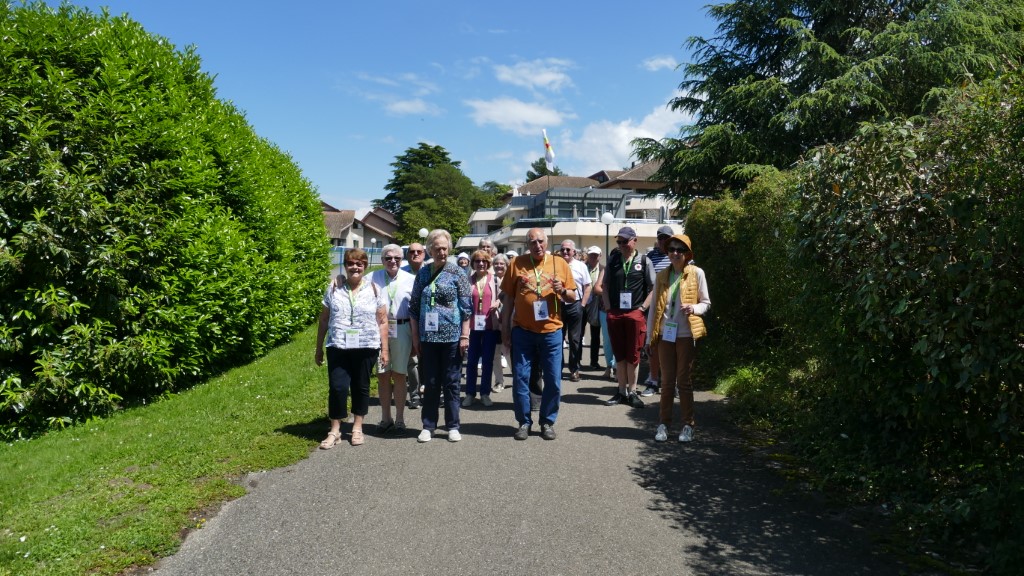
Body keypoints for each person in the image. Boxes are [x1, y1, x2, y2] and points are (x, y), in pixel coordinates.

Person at [501, 228, 576, 441]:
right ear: (527, 244)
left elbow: (572, 297)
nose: (537, 245)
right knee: (521, 379)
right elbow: (508, 301)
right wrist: (505, 330)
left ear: (547, 241)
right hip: (522, 331)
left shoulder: (559, 263)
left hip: (551, 331)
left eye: (541, 241)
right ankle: (524, 421)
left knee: (553, 380)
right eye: (532, 242)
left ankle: (547, 421)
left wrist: (562, 290)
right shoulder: (516, 264)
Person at [314, 248, 388, 448]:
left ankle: (357, 428)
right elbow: (323, 319)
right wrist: (318, 347)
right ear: (345, 266)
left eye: (359, 263)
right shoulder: (333, 288)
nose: (355, 267)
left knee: (361, 387)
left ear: (365, 266)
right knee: (337, 388)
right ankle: (335, 430)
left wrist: (385, 350)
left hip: (366, 346)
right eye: (351, 263)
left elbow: (382, 321)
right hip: (338, 345)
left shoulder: (374, 289)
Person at [409, 230, 472, 442]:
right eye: (437, 249)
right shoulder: (423, 273)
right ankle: (428, 425)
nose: (441, 252)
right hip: (428, 338)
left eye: (444, 248)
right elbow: (414, 307)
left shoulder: (458, 273)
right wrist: (416, 338)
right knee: (431, 382)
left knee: (452, 382)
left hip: (452, 338)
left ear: (449, 249)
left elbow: (466, 309)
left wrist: (465, 336)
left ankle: (453, 425)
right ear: (430, 250)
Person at [647, 234, 710, 443]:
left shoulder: (697, 273)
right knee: (666, 382)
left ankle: (688, 425)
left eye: (679, 250)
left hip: (686, 334)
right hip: (666, 334)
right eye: (672, 249)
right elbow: (654, 308)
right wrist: (649, 338)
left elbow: (706, 303)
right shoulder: (662, 275)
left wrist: (693, 308)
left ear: (687, 254)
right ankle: (663, 424)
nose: (675, 253)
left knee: (683, 381)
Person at [602, 226, 655, 409]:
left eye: (625, 241)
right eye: (619, 242)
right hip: (615, 312)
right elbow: (605, 285)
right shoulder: (613, 260)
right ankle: (621, 391)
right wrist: (608, 308)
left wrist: (642, 308)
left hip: (634, 312)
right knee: (619, 353)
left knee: (633, 354)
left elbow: (652, 288)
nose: (622, 245)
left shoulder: (644, 260)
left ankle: (632, 391)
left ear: (635, 240)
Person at [371, 244, 415, 436]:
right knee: (382, 374)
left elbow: (416, 310)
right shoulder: (371, 278)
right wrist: (337, 280)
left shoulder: (411, 280)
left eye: (397, 258)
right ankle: (385, 417)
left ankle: (399, 419)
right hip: (379, 329)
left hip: (402, 327)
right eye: (388, 258)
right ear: (382, 260)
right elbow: (351, 283)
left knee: (399, 374)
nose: (392, 261)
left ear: (402, 259)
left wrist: (415, 337)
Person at [463, 249, 501, 407]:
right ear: (472, 263)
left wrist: (498, 302)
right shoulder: (467, 280)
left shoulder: (495, 280)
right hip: (472, 327)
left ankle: (485, 393)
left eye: (483, 261)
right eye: (477, 261)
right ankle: (470, 394)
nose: (480, 264)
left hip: (489, 326)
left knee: (487, 361)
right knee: (471, 361)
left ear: (488, 263)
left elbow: (502, 296)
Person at [641, 225, 675, 397]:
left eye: (666, 238)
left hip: (674, 309)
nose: (663, 241)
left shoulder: (680, 255)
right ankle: (653, 380)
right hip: (654, 308)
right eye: (660, 238)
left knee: (672, 345)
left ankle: (672, 382)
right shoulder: (649, 257)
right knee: (652, 345)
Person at [559, 240, 591, 382]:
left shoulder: (581, 266)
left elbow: (588, 286)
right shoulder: (556, 265)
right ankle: (557, 368)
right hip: (558, 306)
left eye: (568, 250)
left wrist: (582, 304)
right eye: (563, 250)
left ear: (574, 252)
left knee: (575, 339)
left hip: (575, 305)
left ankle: (574, 369)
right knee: (557, 339)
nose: (565, 252)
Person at [402, 243, 427, 409]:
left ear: (424, 254)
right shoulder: (402, 273)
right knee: (412, 361)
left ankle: (433, 392)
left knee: (430, 360)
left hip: (429, 322)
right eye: (412, 251)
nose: (415, 254)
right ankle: (415, 395)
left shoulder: (431, 271)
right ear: (407, 254)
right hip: (408, 322)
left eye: (419, 251)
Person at [489, 253, 510, 393]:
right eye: (496, 263)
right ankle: (499, 381)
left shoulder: (511, 280)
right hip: (494, 322)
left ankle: (519, 379)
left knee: (509, 352)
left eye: (502, 263)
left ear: (507, 265)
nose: (499, 266)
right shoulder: (490, 280)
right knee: (495, 353)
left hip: (508, 322)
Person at [583, 246, 605, 370]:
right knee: (579, 334)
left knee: (595, 334)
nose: (593, 257)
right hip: (582, 303)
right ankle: (577, 362)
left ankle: (594, 361)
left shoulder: (603, 269)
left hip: (596, 304)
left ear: (600, 256)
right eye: (591, 254)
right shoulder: (582, 267)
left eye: (596, 255)